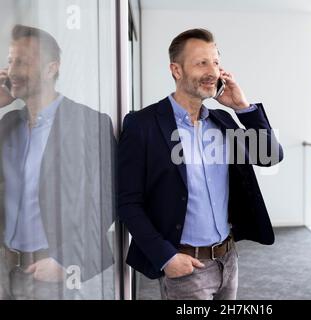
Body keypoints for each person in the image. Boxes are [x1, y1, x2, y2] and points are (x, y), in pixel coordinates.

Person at [118, 28, 283, 300]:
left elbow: (270, 156)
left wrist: (242, 107)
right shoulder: (142, 125)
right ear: (176, 70)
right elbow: (128, 202)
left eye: (216, 62)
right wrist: (165, 257)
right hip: (185, 267)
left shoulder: (223, 121)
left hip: (227, 259)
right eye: (201, 63)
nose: (212, 71)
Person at [0, 24, 115, 299]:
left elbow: (107, 200)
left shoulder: (88, 123)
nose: (12, 71)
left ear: (51, 69)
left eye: (23, 62)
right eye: (10, 61)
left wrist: (66, 260)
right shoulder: (8, 123)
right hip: (6, 270)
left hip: (53, 274)